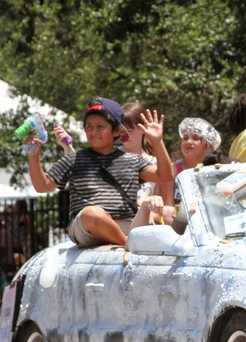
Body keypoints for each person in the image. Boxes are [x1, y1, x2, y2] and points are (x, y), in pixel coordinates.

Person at [25, 97, 173, 247]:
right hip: (87, 228)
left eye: (100, 127)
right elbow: (42, 186)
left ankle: (128, 242)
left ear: (116, 131)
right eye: (89, 127)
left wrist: (157, 141)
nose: (93, 132)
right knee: (92, 213)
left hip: (125, 224)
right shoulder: (74, 159)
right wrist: (33, 156)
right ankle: (128, 245)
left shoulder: (132, 160)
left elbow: (165, 175)